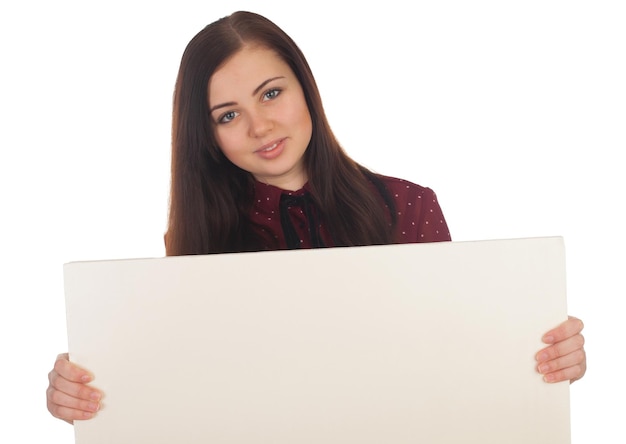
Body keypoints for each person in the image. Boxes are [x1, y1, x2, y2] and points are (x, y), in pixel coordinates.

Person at [46, 10, 587, 423]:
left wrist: (543, 358)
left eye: (272, 93)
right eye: (229, 115)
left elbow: (458, 356)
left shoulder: (409, 206)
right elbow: (188, 385)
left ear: (305, 88)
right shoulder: (194, 239)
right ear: (206, 136)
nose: (259, 127)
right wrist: (87, 383)